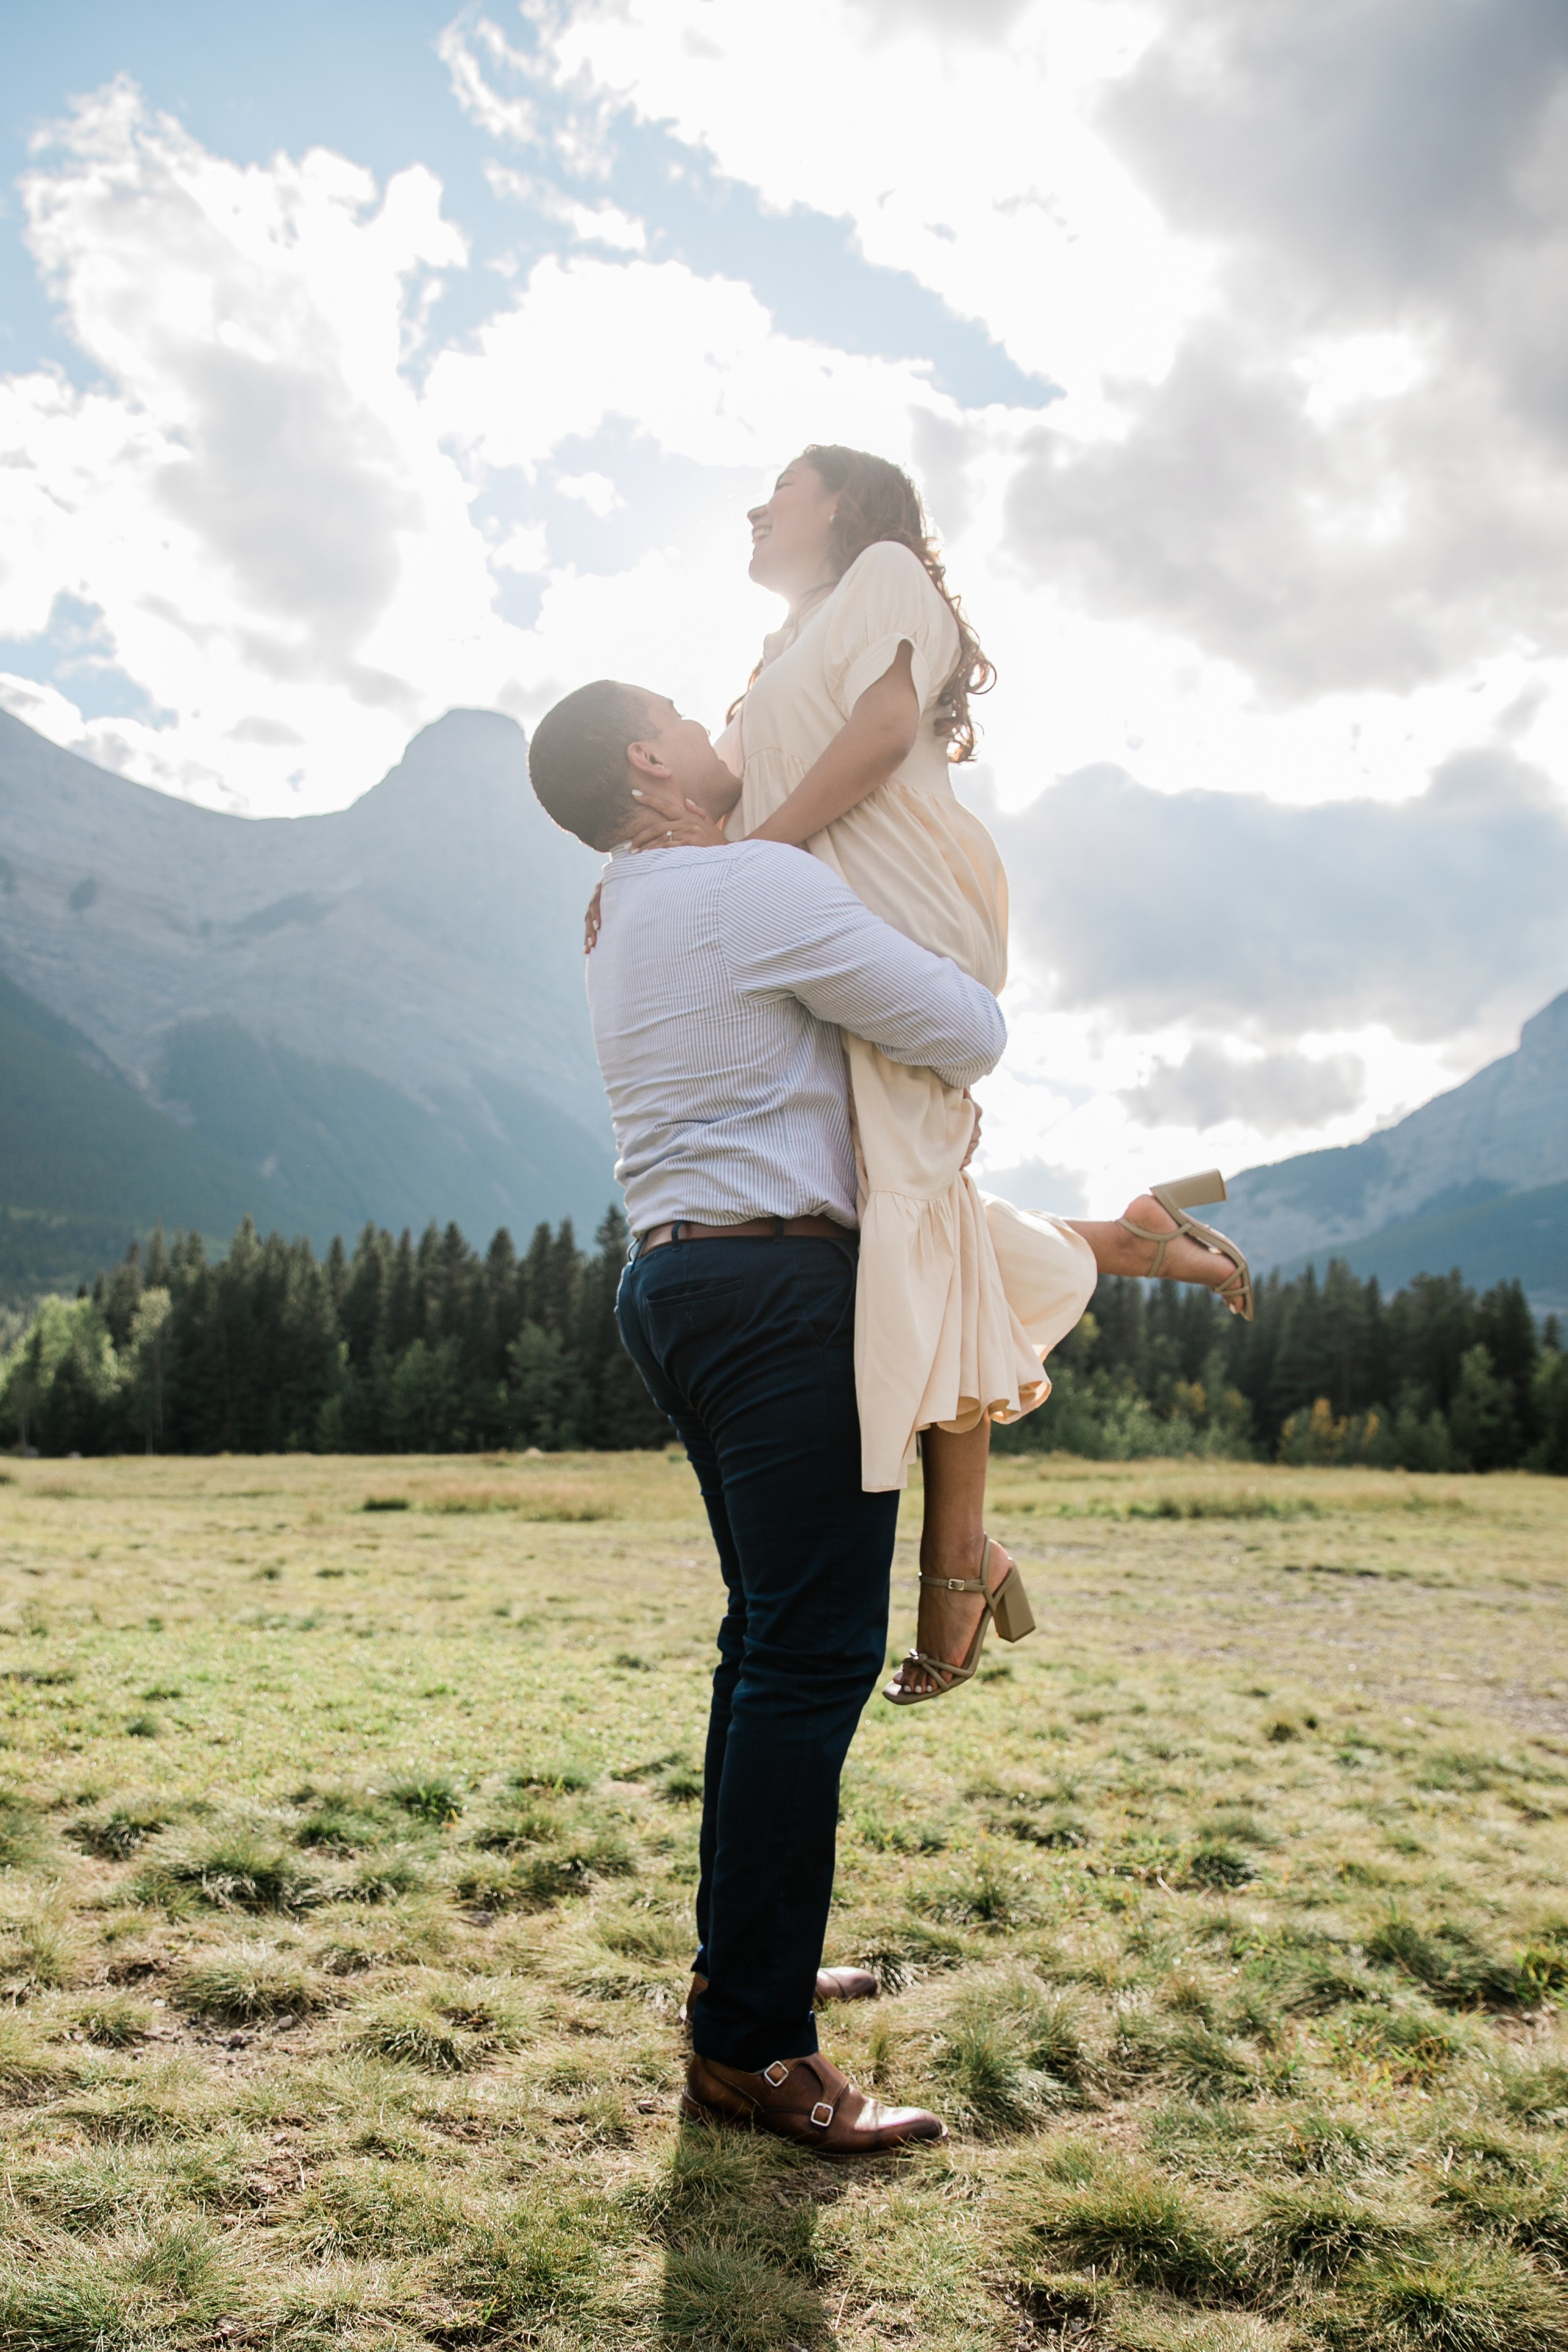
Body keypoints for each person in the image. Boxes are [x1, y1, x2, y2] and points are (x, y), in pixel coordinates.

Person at [601, 445, 1254, 1702]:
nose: (753, 507)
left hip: (904, 927)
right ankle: (1123, 1247)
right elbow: (713, 800)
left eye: (778, 489)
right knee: (902, 1222)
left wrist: (749, 877)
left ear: (842, 506)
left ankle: (958, 1565)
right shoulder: (764, 666)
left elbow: (886, 732)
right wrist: (633, 872)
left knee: (909, 1225)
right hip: (822, 943)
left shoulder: (885, 577)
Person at [527, 676, 1008, 2149]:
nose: (723, 724)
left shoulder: (624, 906)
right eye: (692, 709)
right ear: (649, 759)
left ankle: (749, 1974)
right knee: (806, 1663)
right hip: (775, 1294)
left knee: (763, 1652)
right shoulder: (739, 887)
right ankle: (751, 2049)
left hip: (679, 1287)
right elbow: (968, 1026)